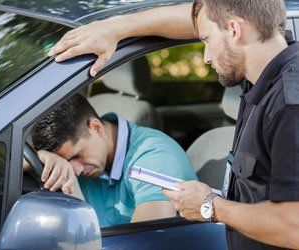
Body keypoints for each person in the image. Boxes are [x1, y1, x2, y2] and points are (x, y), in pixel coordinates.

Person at [47, 0, 299, 249]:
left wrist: (210, 206)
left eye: (206, 40)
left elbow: (294, 226)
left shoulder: (290, 105)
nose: (206, 57)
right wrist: (115, 29)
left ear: (234, 30)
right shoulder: (260, 74)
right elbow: (196, 17)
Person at [31, 94, 197, 227]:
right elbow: (13, 164)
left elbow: (145, 242)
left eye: (77, 156)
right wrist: (42, 157)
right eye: (65, 161)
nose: (76, 171)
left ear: (96, 127)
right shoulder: (92, 158)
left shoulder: (153, 156)